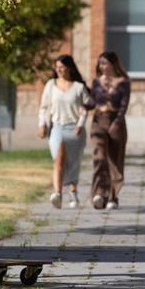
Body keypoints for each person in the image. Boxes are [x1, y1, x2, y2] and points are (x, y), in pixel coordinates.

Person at [37, 55, 91, 209]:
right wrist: (42, 125)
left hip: (74, 128)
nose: (59, 70)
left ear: (69, 67)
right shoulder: (51, 85)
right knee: (58, 159)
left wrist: (80, 124)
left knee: (73, 162)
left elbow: (86, 108)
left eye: (62, 66)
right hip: (56, 127)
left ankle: (73, 192)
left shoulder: (79, 87)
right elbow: (44, 107)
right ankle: (58, 193)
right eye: (57, 67)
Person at [89, 52, 131, 211]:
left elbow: (124, 106)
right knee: (99, 157)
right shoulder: (96, 82)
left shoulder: (123, 82)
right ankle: (99, 193)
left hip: (116, 122)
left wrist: (117, 123)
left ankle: (113, 196)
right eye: (100, 64)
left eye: (105, 63)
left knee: (115, 161)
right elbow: (92, 102)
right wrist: (83, 105)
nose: (102, 67)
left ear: (113, 64)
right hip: (98, 121)